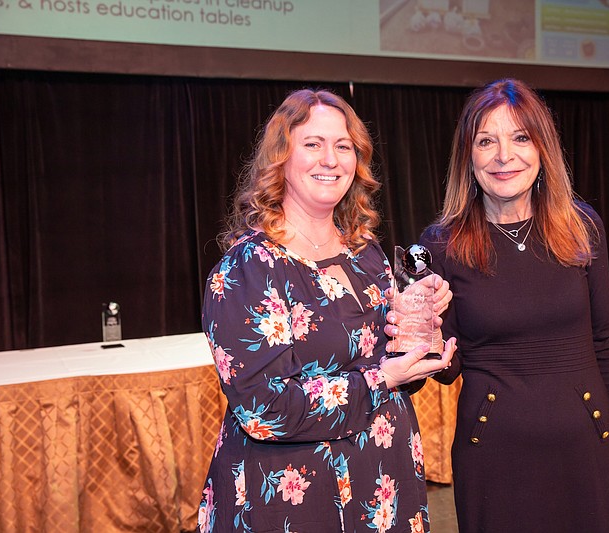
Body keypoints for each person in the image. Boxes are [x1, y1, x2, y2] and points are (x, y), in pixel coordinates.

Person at [196, 88, 457, 533]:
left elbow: (387, 368)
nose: (330, 159)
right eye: (313, 144)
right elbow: (264, 409)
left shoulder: (366, 252)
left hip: (382, 483)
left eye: (343, 146)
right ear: (280, 157)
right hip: (292, 498)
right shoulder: (248, 268)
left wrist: (419, 325)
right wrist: (383, 379)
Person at [419, 78, 609, 531]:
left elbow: (607, 343)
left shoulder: (583, 228)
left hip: (588, 448)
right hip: (493, 457)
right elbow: (446, 368)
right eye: (486, 141)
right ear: (467, 157)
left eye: (520, 137)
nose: (504, 155)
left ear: (543, 148)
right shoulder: (442, 244)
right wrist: (422, 330)